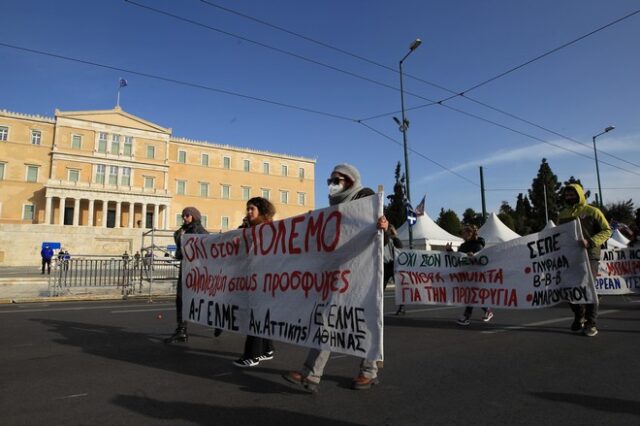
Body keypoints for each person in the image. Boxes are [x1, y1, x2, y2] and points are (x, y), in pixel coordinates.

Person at [283, 163, 388, 393]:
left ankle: (369, 372)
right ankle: (311, 374)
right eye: (330, 180)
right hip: (339, 272)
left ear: (350, 180)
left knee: (365, 319)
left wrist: (384, 228)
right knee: (328, 320)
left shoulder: (365, 196)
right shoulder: (333, 207)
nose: (332, 183)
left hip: (364, 271)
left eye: (337, 179)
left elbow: (380, 237)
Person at [558, 184, 611, 337]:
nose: (569, 197)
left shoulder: (593, 211)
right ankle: (579, 314)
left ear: (579, 194)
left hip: (590, 255)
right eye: (567, 195)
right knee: (568, 289)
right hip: (570, 256)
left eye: (572, 194)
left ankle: (591, 323)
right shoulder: (563, 214)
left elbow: (607, 230)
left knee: (589, 288)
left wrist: (591, 241)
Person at [232, 197, 278, 368]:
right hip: (252, 279)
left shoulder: (270, 230)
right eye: (247, 209)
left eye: (252, 209)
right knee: (259, 315)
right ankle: (267, 349)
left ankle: (252, 355)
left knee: (255, 316)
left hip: (265, 280)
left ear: (262, 211)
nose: (249, 212)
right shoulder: (248, 230)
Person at [165, 207, 208, 344]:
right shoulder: (182, 231)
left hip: (199, 270)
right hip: (186, 268)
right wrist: (179, 236)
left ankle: (219, 323)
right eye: (183, 215)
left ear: (194, 216)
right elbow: (179, 253)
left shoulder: (200, 231)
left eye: (187, 215)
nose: (184, 217)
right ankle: (181, 329)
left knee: (205, 298)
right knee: (181, 298)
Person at [447, 225, 493, 326]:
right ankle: (487, 310)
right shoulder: (463, 245)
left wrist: (475, 257)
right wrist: (450, 251)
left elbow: (483, 261)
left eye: (462, 232)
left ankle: (466, 317)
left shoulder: (478, 245)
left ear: (469, 233)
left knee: (471, 294)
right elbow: (458, 258)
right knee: (473, 295)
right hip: (466, 275)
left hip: (477, 275)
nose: (461, 234)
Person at [383, 224, 403, 290]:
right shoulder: (382, 238)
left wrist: (395, 236)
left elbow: (400, 246)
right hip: (383, 265)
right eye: (390, 230)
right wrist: (386, 232)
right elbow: (385, 241)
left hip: (390, 264)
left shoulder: (391, 240)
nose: (390, 231)